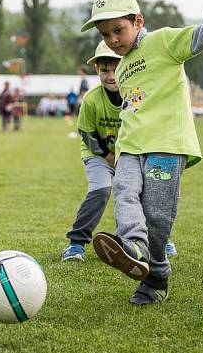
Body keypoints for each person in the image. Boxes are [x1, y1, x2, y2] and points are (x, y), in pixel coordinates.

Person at [80, 0, 203, 305]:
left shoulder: (164, 42)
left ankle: (156, 274)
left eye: (118, 30)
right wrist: (117, 150)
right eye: (105, 35)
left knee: (157, 216)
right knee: (123, 191)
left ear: (138, 20)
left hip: (166, 144)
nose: (112, 41)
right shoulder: (120, 70)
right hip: (131, 147)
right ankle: (134, 247)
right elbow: (131, 110)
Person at [60, 41, 179, 263]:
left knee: (146, 193)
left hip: (130, 153)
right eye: (105, 70)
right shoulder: (91, 99)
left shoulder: (135, 96)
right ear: (97, 70)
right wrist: (109, 156)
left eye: (116, 69)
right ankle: (76, 243)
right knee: (102, 189)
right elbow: (87, 132)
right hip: (98, 154)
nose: (111, 75)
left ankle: (158, 241)